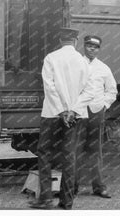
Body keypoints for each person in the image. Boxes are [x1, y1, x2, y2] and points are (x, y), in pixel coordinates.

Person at [29, 28, 94, 210]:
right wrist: (72, 111)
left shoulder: (51, 58)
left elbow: (49, 87)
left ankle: (46, 198)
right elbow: (89, 91)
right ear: (75, 41)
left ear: (59, 40)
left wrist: (60, 111)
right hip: (75, 116)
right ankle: (66, 202)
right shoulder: (83, 61)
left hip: (51, 114)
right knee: (69, 156)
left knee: (44, 153)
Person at [74, 35, 118, 199]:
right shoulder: (77, 65)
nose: (92, 49)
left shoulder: (104, 68)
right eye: (89, 46)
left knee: (95, 151)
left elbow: (112, 90)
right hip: (79, 112)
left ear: (99, 49)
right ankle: (72, 187)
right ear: (84, 47)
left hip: (96, 113)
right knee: (76, 151)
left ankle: (98, 187)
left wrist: (103, 106)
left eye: (95, 47)